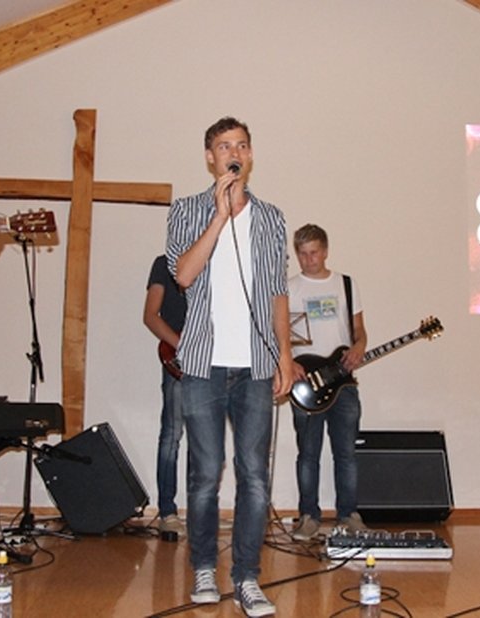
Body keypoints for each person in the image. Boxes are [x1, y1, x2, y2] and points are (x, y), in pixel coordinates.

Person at [165, 116, 302, 618]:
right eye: (225, 146)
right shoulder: (186, 210)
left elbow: (277, 292)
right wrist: (219, 216)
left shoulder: (271, 218)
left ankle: (247, 577)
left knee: (255, 477)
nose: (234, 152)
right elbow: (183, 274)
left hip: (255, 367)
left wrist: (285, 355)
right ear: (210, 157)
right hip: (204, 364)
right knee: (205, 474)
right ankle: (204, 567)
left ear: (251, 153)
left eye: (242, 144)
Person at [287, 224, 369, 541]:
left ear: (325, 251)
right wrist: (289, 362)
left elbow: (359, 331)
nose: (309, 260)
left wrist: (359, 346)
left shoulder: (346, 284)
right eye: (303, 254)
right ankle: (309, 516)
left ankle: (349, 514)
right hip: (305, 383)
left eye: (314, 253)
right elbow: (278, 334)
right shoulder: (290, 288)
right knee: (308, 454)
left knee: (345, 453)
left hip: (343, 383)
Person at [142, 254, 187, 538]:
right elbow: (150, 316)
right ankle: (167, 511)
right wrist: (181, 345)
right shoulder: (164, 263)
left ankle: (202, 510)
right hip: (178, 360)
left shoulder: (214, 260)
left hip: (212, 361)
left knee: (206, 438)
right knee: (171, 435)